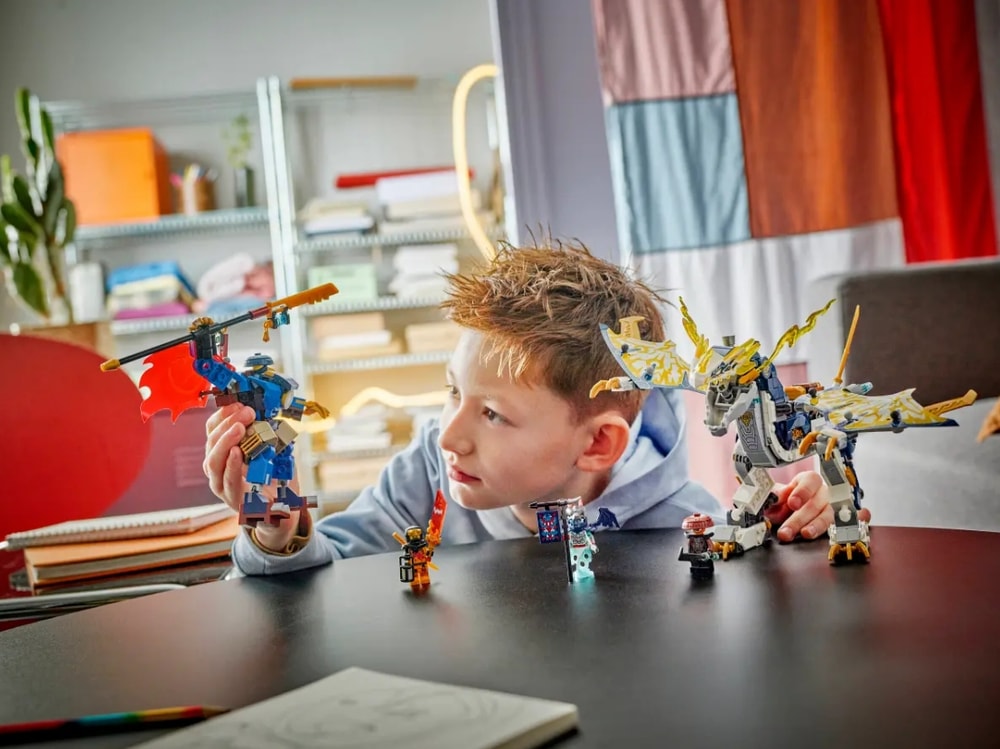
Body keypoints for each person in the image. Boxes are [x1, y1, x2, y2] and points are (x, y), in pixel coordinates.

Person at [203, 241, 868, 575]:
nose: (448, 435)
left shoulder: (679, 522)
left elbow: (751, 588)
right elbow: (330, 570)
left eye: (492, 414)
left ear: (598, 444)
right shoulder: (425, 477)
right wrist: (276, 532)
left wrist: (800, 528)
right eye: (453, 391)